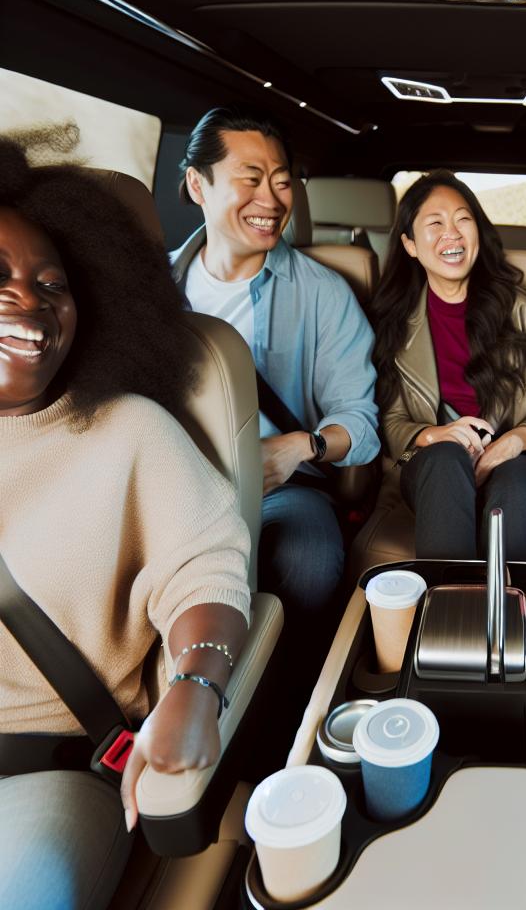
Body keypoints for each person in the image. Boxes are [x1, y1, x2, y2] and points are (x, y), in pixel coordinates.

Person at [0, 134, 251, 910]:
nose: (31, 303)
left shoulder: (127, 429)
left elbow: (208, 569)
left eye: (53, 283)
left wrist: (193, 686)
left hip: (47, 767)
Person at [170, 106, 379, 649]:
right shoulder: (151, 288)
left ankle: (287, 702)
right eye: (250, 179)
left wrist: (299, 448)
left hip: (279, 488)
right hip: (170, 481)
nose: (271, 199)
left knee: (308, 564)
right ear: (198, 184)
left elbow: (360, 423)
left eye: (282, 182)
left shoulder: (323, 293)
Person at [371, 170, 526, 562]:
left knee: (516, 484)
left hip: (517, 461)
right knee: (445, 461)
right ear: (410, 244)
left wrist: (510, 444)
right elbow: (392, 424)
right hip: (432, 465)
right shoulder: (393, 321)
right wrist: (437, 435)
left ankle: (515, 612)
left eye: (463, 219)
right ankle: (452, 612)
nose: (452, 234)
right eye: (435, 223)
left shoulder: (522, 309)